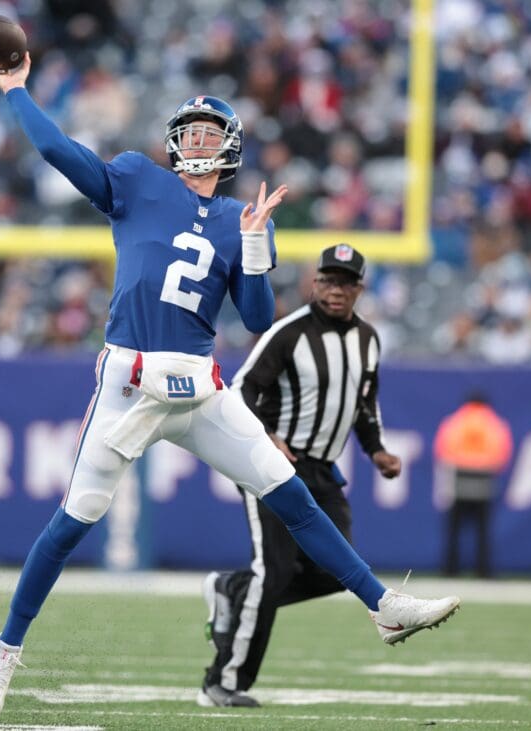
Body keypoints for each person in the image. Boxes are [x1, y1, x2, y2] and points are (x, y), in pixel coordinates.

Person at [0, 52, 461, 722]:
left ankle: (381, 605)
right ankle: (4, 650)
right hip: (130, 382)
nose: (198, 139)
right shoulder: (138, 179)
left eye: (211, 130)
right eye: (189, 129)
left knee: (291, 494)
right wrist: (17, 91)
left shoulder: (238, 217)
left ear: (229, 147)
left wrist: (256, 246)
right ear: (174, 141)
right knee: (71, 523)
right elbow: (59, 149)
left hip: (201, 387)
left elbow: (258, 319)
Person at [199, 244, 404, 707]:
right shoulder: (288, 333)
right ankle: (224, 682)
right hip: (271, 467)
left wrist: (377, 450)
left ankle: (233, 591)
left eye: (345, 283)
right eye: (327, 281)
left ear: (359, 288)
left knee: (339, 573)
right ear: (315, 283)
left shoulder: (368, 339)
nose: (335, 290)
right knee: (272, 571)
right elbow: (241, 390)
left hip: (324, 471)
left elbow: (364, 403)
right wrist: (267, 436)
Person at [434, 391, 513, 578]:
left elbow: (442, 451)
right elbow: (502, 454)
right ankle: (483, 570)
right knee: (483, 531)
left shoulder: (454, 422)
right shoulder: (495, 424)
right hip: (484, 482)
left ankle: (450, 570)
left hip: (458, 480)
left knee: (453, 530)